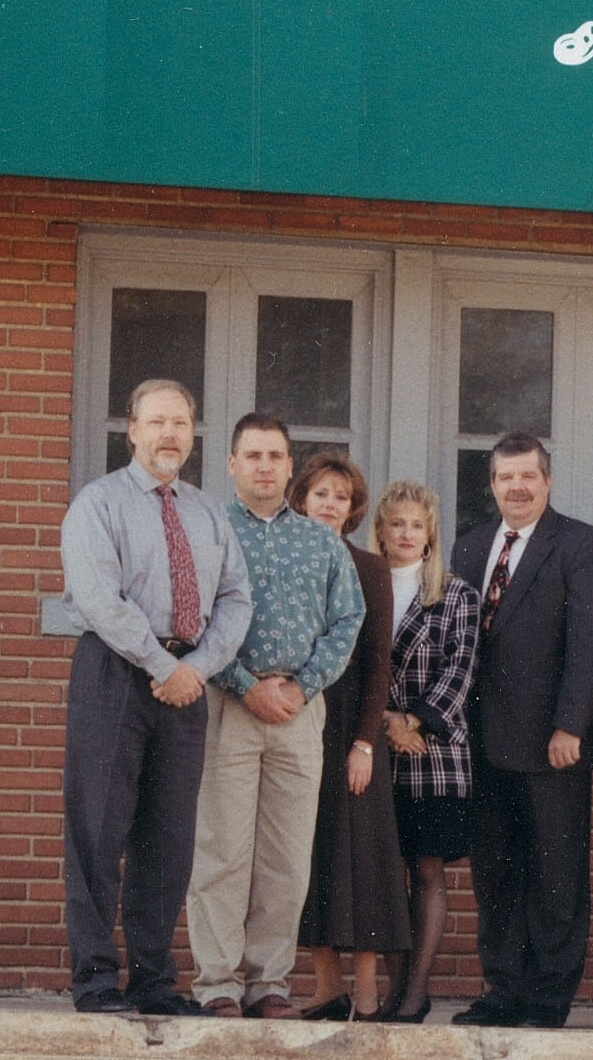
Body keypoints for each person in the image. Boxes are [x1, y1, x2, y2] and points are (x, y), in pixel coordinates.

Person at [59, 379, 252, 1014]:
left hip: (185, 683)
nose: (170, 434)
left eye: (180, 423)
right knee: (98, 829)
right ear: (132, 431)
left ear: (191, 434)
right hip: (115, 673)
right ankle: (93, 978)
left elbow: (234, 600)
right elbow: (97, 597)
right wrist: (158, 663)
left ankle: (153, 980)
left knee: (168, 838)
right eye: (157, 422)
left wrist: (194, 667)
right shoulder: (100, 503)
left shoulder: (206, 513)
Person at [187, 413, 364, 1018]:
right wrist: (243, 685)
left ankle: (269, 985)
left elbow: (348, 619)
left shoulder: (319, 540)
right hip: (227, 703)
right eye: (253, 455)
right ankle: (217, 984)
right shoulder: (207, 531)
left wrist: (305, 684)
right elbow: (192, 620)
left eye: (275, 456)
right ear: (232, 464)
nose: (265, 466)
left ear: (290, 468)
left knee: (287, 854)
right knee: (223, 847)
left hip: (299, 710)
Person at [449, 431, 593, 1028]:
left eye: (527, 476)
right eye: (504, 477)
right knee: (494, 872)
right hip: (482, 742)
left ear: (547, 480)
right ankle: (503, 991)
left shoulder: (582, 545)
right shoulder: (469, 549)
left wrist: (571, 723)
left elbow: (590, 644)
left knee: (555, 874)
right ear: (492, 485)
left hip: (552, 744)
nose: (516, 487)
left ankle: (546, 1000)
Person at [292, 454, 410, 1020]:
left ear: (353, 507)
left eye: (340, 496)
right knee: (304, 852)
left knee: (361, 855)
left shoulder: (370, 568)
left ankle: (365, 994)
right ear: (301, 501)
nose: (330, 505)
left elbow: (379, 662)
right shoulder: (287, 559)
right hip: (296, 721)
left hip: (353, 726)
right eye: (320, 494)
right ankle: (325, 985)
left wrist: (365, 743)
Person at [375, 481, 478, 1024]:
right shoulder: (364, 584)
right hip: (376, 749)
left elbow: (460, 672)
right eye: (397, 524)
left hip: (433, 751)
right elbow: (355, 669)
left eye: (417, 524)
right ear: (382, 530)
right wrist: (387, 725)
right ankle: (393, 990)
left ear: (430, 531)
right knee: (386, 874)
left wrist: (413, 721)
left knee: (427, 870)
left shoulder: (455, 593)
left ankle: (415, 993)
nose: (407, 534)